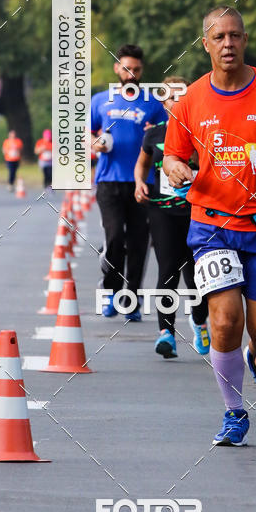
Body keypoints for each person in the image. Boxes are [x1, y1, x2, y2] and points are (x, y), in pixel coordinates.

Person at [163, 7, 256, 446]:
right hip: (212, 225)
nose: (227, 43)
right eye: (219, 37)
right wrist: (174, 167)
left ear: (245, 40)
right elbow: (172, 155)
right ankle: (233, 412)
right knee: (225, 321)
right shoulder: (191, 100)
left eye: (235, 35)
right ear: (206, 44)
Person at [134, 76, 210, 359]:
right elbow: (141, 165)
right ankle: (166, 332)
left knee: (196, 275)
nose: (176, 102)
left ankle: (199, 321)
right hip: (162, 211)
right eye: (171, 97)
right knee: (167, 270)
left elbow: (212, 167)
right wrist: (139, 183)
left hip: (196, 211)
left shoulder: (202, 131)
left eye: (182, 96)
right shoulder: (154, 134)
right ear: (164, 103)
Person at [90, 44, 166, 322]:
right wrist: (96, 143)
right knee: (114, 238)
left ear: (141, 71)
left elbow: (166, 139)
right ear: (117, 68)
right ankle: (111, 291)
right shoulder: (100, 101)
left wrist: (155, 135)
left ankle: (131, 299)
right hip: (109, 182)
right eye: (126, 68)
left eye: (136, 69)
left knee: (138, 243)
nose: (131, 74)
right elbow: (85, 134)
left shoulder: (152, 104)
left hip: (142, 183)